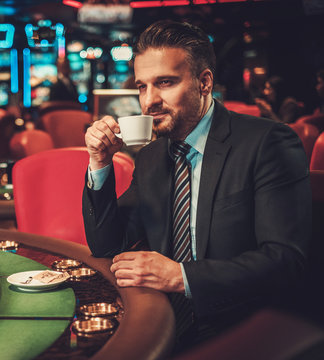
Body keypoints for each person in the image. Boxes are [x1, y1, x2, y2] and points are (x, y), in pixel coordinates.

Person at [83, 20, 311, 352]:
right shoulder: (150, 157)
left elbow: (286, 260)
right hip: (162, 318)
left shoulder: (268, 142)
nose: (149, 101)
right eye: (142, 86)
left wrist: (181, 276)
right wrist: (99, 162)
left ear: (204, 82)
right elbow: (107, 246)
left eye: (165, 83)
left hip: (244, 326)